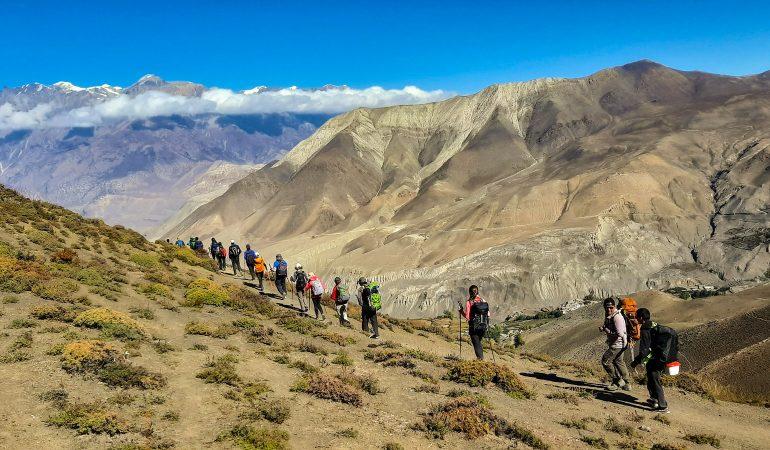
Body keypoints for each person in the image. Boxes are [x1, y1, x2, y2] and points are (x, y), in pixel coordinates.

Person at [631, 308, 679, 413]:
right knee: (651, 376)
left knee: (654, 379)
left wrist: (636, 361)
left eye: (636, 317)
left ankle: (663, 406)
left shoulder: (645, 329)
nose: (635, 318)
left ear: (641, 318)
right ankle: (655, 400)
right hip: (657, 356)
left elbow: (644, 350)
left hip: (657, 358)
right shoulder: (653, 324)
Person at [600, 298, 631, 391]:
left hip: (617, 344)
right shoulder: (611, 315)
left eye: (611, 307)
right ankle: (627, 383)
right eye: (607, 307)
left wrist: (606, 330)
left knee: (605, 361)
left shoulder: (617, 317)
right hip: (621, 344)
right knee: (619, 361)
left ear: (614, 306)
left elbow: (619, 334)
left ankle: (616, 381)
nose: (609, 309)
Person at [460, 285, 489, 360]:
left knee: (476, 343)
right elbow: (488, 314)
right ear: (477, 291)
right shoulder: (483, 300)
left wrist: (461, 311)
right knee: (478, 342)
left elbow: (467, 317)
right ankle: (481, 359)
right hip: (483, 326)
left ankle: (480, 360)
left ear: (470, 292)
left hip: (474, 327)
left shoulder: (469, 302)